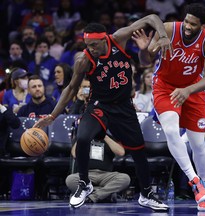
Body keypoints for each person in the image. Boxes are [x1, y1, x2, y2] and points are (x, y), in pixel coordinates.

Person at [33, 14, 172, 211]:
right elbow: (71, 88)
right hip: (99, 105)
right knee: (82, 137)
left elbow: (151, 17)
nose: (90, 48)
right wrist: (53, 116)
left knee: (139, 152)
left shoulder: (119, 38)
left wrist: (162, 35)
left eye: (94, 45)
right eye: (87, 44)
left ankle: (147, 194)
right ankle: (84, 183)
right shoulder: (84, 59)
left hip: (124, 106)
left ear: (104, 39)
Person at [133, 3, 205, 211]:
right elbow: (146, 61)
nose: (188, 26)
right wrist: (144, 51)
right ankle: (195, 183)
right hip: (165, 86)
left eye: (193, 24)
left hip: (193, 89)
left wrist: (189, 90)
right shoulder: (170, 29)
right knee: (171, 130)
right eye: (187, 21)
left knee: (198, 143)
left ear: (202, 25)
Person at [66, 136, 130, 203]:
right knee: (70, 179)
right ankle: (105, 195)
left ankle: (91, 196)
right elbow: (74, 154)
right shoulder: (83, 136)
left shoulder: (111, 138)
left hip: (105, 175)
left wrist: (104, 136)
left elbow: (121, 153)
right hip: (86, 175)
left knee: (125, 178)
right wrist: (84, 134)